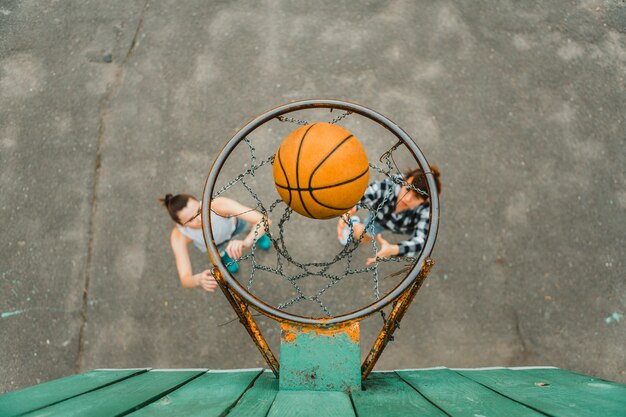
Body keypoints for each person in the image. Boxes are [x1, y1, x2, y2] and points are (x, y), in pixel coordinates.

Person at [161, 193, 271, 292]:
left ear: (201, 203)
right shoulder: (180, 236)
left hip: (234, 227)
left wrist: (246, 242)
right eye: (191, 219)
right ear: (181, 225)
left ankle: (258, 237)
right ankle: (227, 258)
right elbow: (185, 279)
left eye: (199, 210)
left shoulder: (216, 205)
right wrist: (198, 280)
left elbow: (264, 220)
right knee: (220, 253)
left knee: (250, 226)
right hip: (216, 245)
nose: (200, 218)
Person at [337, 165, 441, 266]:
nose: (407, 198)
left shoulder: (425, 211)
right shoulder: (394, 184)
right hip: (377, 218)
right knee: (363, 237)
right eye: (408, 189)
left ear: (425, 201)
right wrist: (351, 209)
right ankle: (353, 224)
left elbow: (421, 242)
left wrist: (393, 249)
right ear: (405, 180)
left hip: (397, 226)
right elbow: (372, 191)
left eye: (416, 197)